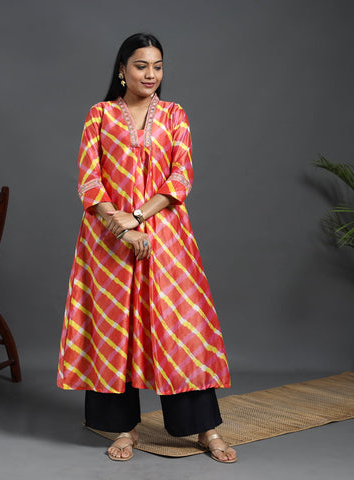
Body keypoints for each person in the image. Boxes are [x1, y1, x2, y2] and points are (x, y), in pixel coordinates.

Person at [57, 33, 236, 463]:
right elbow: (89, 181)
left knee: (180, 328)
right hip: (107, 242)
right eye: (141, 65)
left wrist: (136, 218)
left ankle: (204, 428)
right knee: (115, 329)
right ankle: (123, 428)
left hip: (166, 237)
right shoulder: (99, 115)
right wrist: (119, 227)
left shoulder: (175, 115)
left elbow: (181, 177)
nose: (150, 74)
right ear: (122, 69)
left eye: (157, 66)